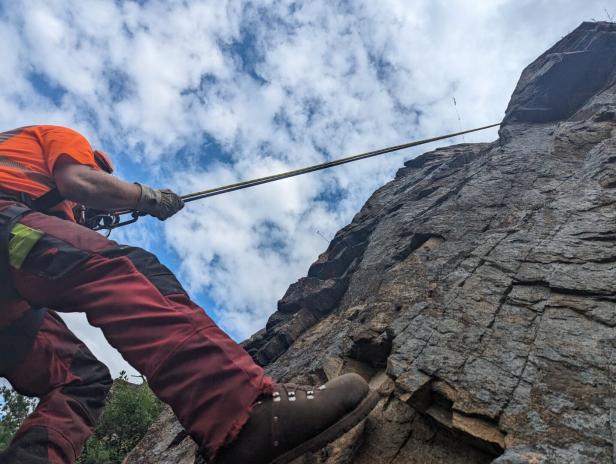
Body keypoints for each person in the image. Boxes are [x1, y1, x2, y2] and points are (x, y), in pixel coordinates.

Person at [0, 125, 378, 464]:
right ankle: (240, 416)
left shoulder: (40, 198)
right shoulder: (65, 140)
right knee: (127, 270)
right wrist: (148, 197)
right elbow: (79, 182)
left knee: (81, 378)